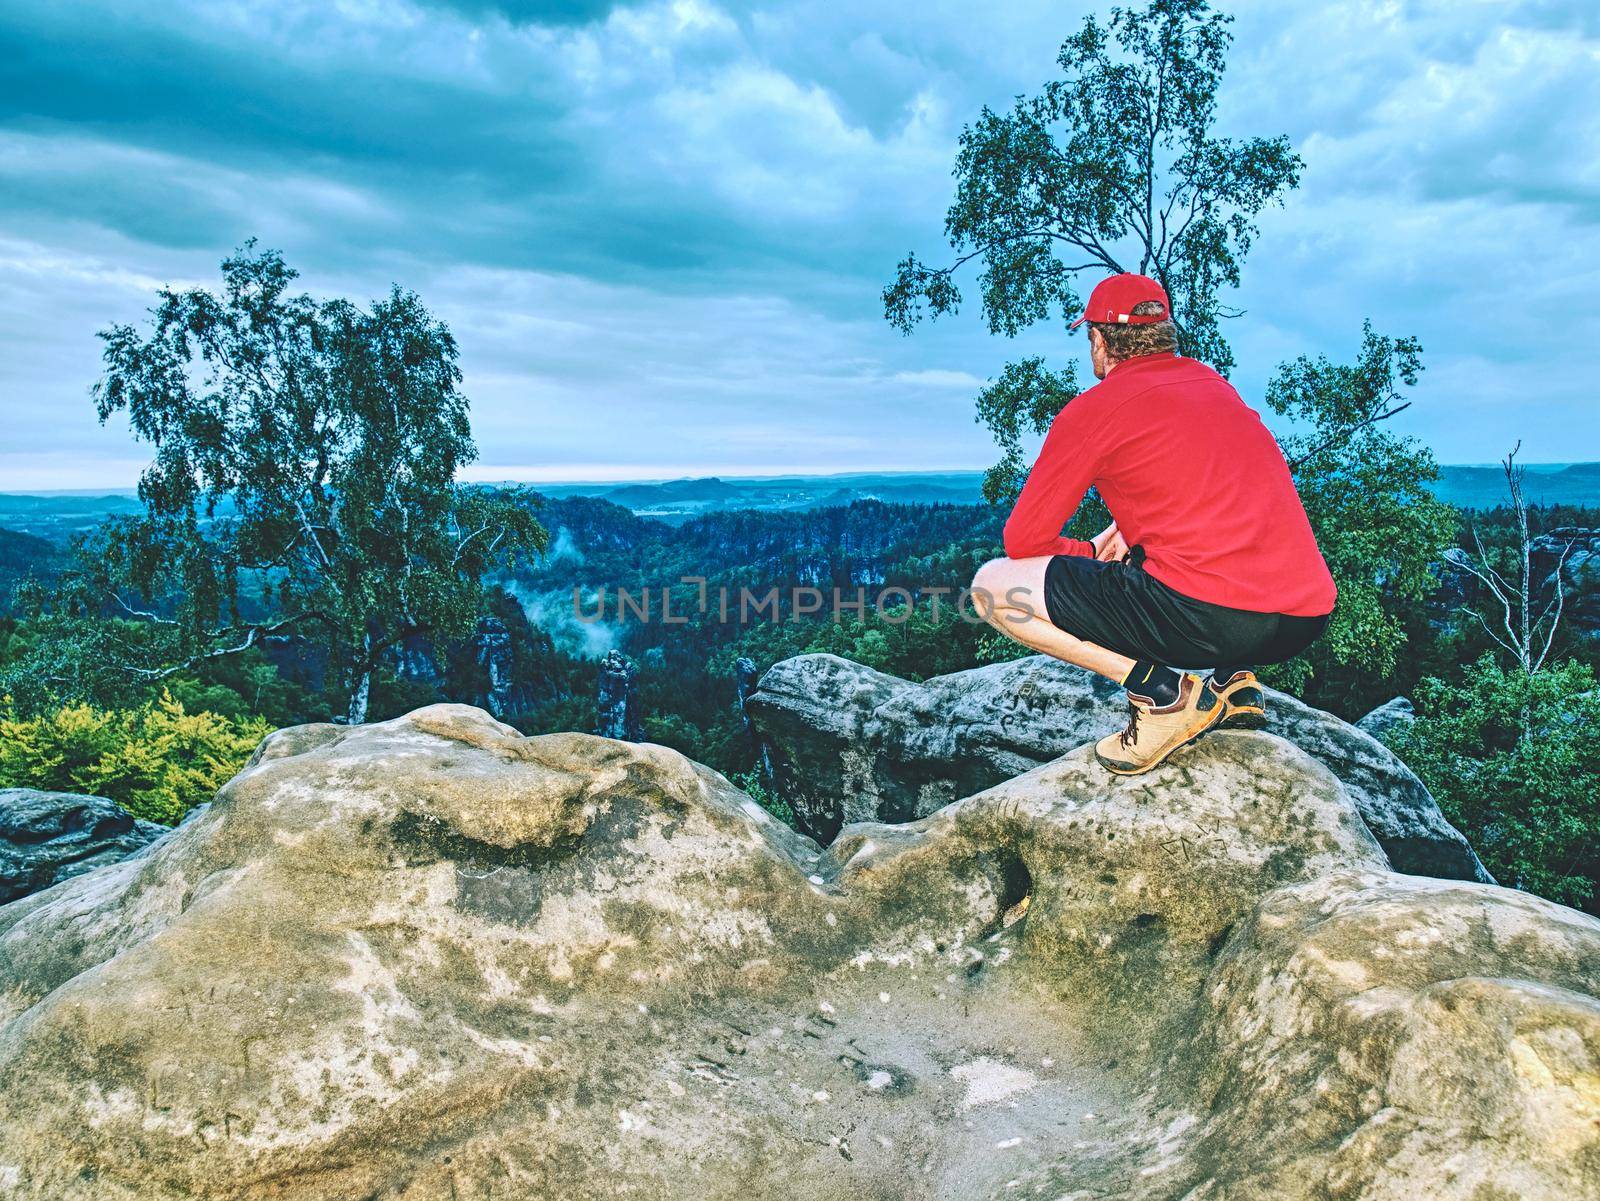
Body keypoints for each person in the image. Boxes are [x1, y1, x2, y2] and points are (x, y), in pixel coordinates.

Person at [969, 272, 1336, 775]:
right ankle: (1234, 681)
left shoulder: (1096, 409)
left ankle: (1164, 698)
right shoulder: (1216, 388)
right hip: (1303, 617)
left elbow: (1024, 540)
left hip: (1212, 618)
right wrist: (1125, 531)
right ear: (1164, 332)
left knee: (991, 587)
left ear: (1098, 339)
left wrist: (1090, 552)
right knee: (1159, 544)